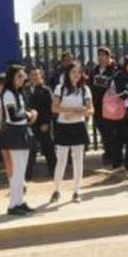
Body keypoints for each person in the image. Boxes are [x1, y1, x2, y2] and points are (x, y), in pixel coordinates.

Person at [50, 62, 94, 203]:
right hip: (63, 126)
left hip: (78, 126)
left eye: (78, 72)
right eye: (73, 72)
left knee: (78, 160)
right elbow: (54, 108)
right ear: (67, 73)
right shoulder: (60, 88)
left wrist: (76, 112)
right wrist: (70, 111)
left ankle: (77, 191)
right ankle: (56, 190)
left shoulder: (84, 89)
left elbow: (91, 110)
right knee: (61, 160)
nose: (76, 75)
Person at [0, 64, 37, 216]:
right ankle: (13, 205)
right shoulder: (8, 94)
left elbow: (20, 113)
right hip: (14, 132)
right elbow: (13, 116)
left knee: (22, 171)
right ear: (12, 78)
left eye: (23, 76)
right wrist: (29, 115)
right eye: (19, 76)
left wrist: (29, 114)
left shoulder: (20, 93)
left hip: (22, 131)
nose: (23, 78)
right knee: (17, 171)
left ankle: (20, 202)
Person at [25, 67, 55, 178]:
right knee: (30, 149)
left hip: (43, 124)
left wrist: (47, 123)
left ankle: (53, 170)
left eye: (37, 75)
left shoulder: (46, 90)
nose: (35, 77)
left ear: (41, 76)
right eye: (32, 75)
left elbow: (51, 108)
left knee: (48, 148)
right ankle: (28, 174)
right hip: (29, 124)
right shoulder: (25, 89)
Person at [89, 47, 118, 165]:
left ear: (109, 57)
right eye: (99, 55)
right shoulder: (94, 71)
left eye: (104, 55)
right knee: (102, 129)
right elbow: (90, 86)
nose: (101, 58)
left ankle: (113, 153)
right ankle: (108, 152)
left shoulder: (114, 70)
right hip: (97, 105)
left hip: (111, 105)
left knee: (111, 129)